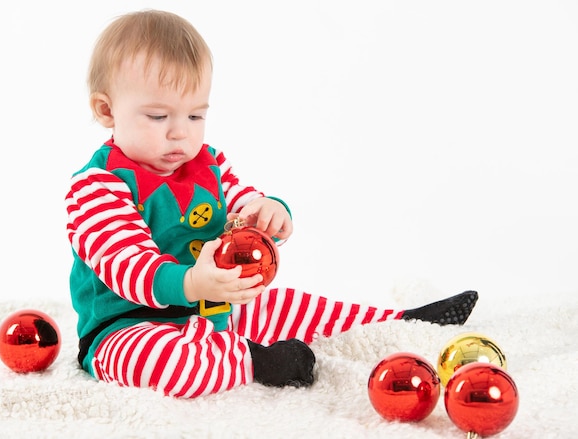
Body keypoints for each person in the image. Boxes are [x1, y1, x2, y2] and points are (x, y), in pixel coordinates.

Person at [66, 9, 478, 398]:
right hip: (129, 326)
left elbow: (239, 202)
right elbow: (127, 265)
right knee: (162, 363)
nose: (180, 134)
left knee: (290, 306)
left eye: (195, 116)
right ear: (107, 110)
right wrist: (191, 283)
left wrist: (267, 210)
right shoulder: (97, 186)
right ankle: (255, 361)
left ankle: (400, 323)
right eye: (158, 117)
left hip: (214, 309)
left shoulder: (206, 161)